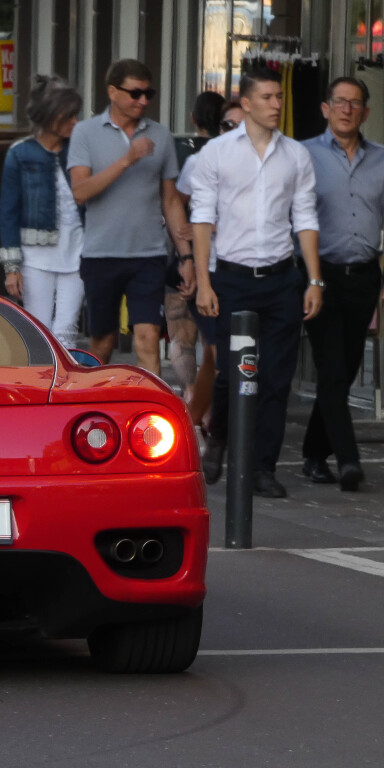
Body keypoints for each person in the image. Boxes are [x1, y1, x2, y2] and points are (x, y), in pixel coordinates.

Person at [192, 67, 323, 498]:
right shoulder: (218, 153)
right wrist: (205, 281)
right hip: (231, 277)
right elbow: (203, 218)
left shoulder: (296, 155)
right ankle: (219, 441)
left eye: (279, 97)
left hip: (281, 278)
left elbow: (304, 217)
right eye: (267, 97)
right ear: (245, 104)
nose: (276, 104)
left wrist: (314, 280)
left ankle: (262, 467)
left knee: (276, 377)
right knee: (231, 375)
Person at [68, 59, 195, 372]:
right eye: (135, 93)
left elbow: (171, 201)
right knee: (102, 343)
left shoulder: (161, 135)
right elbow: (80, 191)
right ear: (112, 91)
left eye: (148, 93)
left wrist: (186, 257)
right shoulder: (85, 132)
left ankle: (150, 417)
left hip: (148, 255)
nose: (143, 101)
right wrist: (127, 159)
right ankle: (95, 412)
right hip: (101, 254)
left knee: (148, 337)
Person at [298, 77, 384, 493]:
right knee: (331, 367)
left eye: (356, 103)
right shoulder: (304, 156)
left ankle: (314, 452)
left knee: (345, 371)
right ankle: (348, 460)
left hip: (365, 277)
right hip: (320, 276)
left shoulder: (382, 159)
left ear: (366, 112)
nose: (348, 109)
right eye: (340, 102)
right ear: (325, 108)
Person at [172, 96, 245, 431]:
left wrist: (215, 224)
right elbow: (175, 203)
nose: (235, 131)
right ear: (219, 128)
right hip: (210, 269)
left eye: (243, 125)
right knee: (216, 352)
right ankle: (203, 419)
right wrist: (185, 250)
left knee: (223, 355)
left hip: (249, 270)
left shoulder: (269, 164)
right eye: (229, 125)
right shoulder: (201, 161)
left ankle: (203, 415)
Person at [0, 76, 84, 346]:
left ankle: (63, 386)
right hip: (35, 255)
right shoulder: (19, 154)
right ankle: (43, 383)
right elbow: (8, 212)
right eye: (70, 116)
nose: (75, 122)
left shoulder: (80, 150)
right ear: (52, 117)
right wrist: (11, 267)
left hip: (79, 251)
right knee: (38, 329)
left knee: (68, 329)